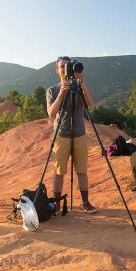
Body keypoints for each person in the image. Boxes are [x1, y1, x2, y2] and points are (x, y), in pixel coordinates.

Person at [46, 56, 98, 214]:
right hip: (61, 134)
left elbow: (90, 104)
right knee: (59, 171)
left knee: (82, 170)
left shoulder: (79, 86)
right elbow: (51, 113)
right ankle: (56, 203)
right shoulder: (52, 90)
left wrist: (82, 84)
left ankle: (85, 202)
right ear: (57, 70)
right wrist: (62, 93)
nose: (64, 69)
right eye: (61, 66)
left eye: (67, 66)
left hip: (79, 133)